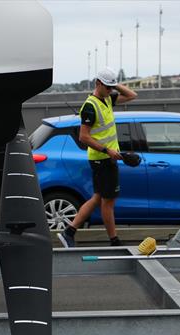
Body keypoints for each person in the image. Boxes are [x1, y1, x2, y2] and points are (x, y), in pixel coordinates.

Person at [58, 67, 137, 248]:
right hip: (101, 159)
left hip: (108, 158)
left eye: (112, 87)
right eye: (107, 86)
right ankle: (114, 240)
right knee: (107, 201)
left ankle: (69, 231)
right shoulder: (90, 106)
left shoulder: (108, 99)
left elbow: (133, 95)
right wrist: (106, 150)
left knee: (99, 198)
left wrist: (114, 84)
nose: (110, 90)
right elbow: (83, 137)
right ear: (98, 83)